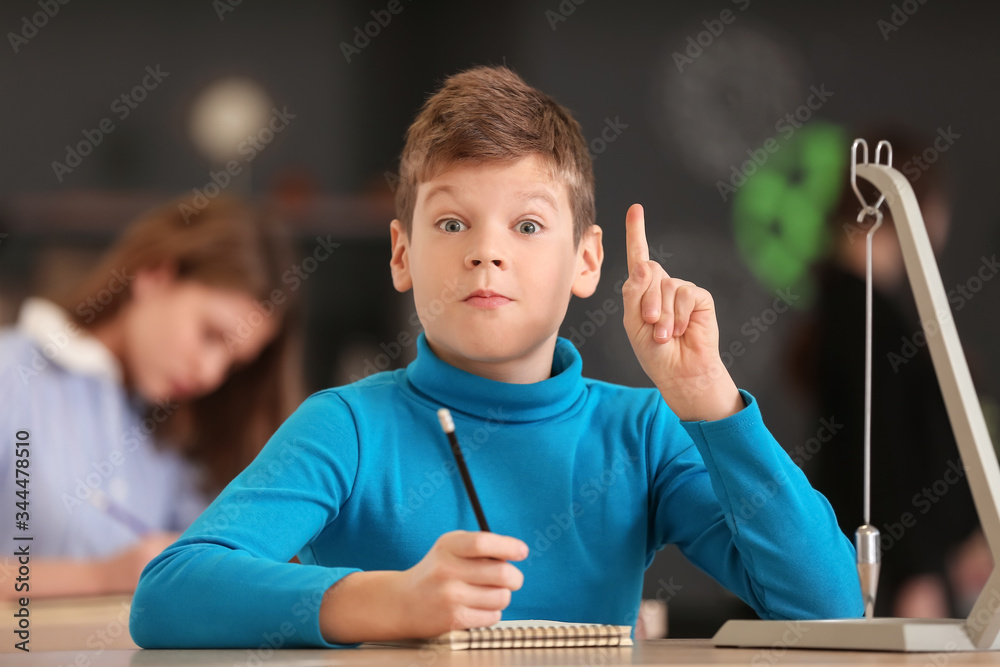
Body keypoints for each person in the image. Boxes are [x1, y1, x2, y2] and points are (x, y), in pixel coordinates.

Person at [130, 65, 862, 649]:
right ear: (401, 253)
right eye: (452, 221)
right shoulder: (347, 426)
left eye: (528, 224)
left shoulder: (641, 430)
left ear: (586, 260)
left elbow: (830, 606)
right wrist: (387, 599)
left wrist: (710, 399)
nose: (487, 250)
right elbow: (169, 593)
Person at [0, 194, 304, 599]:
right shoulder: (13, 376)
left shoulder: (169, 437)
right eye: (210, 335)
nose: (210, 374)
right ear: (153, 275)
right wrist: (101, 578)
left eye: (232, 365)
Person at [789, 126, 982, 617]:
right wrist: (917, 570)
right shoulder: (863, 319)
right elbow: (882, 453)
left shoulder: (859, 311)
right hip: (897, 575)